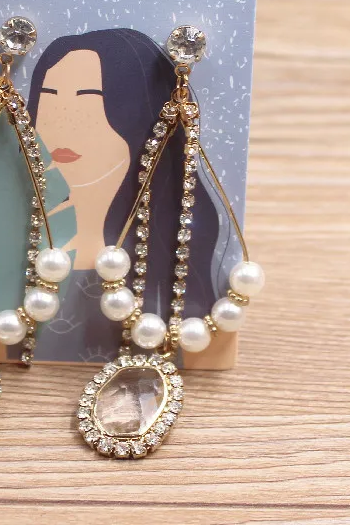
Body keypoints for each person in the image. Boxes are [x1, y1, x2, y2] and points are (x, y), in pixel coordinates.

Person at [26, 28, 220, 362]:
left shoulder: (169, 261)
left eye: (88, 99)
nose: (63, 123)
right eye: (49, 96)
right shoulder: (14, 239)